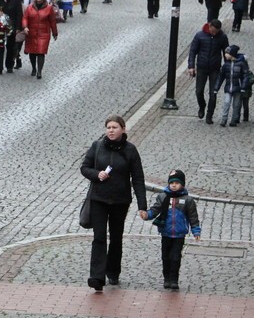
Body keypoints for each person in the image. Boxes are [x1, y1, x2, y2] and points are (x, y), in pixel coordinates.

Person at [80, 115, 148, 292]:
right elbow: (85, 167)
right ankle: (97, 276)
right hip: (98, 199)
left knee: (116, 238)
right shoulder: (97, 146)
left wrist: (142, 205)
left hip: (120, 201)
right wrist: (97, 175)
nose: (111, 130)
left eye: (115, 127)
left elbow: (138, 178)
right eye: (108, 127)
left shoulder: (130, 150)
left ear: (123, 129)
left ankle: (113, 271)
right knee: (99, 237)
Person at [144, 169, 201, 290]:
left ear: (182, 184)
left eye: (177, 183)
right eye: (172, 183)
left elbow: (193, 217)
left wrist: (196, 231)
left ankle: (174, 279)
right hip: (166, 232)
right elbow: (155, 209)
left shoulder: (188, 200)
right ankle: (167, 279)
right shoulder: (163, 197)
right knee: (165, 257)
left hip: (179, 234)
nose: (174, 185)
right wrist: (147, 215)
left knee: (175, 257)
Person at [187, 20, 229, 124]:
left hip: (215, 68)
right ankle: (202, 106)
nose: (214, 33)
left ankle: (209, 115)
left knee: (213, 93)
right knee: (199, 91)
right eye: (212, 31)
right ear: (209, 27)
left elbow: (226, 53)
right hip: (202, 67)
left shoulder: (222, 37)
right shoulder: (200, 35)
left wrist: (227, 67)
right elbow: (193, 51)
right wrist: (191, 66)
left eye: (216, 32)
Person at [22, 0, 57, 79]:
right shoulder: (30, 7)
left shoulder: (49, 8)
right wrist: (25, 27)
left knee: (41, 52)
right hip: (31, 33)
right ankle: (34, 68)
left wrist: (55, 33)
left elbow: (52, 21)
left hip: (43, 33)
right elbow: (25, 18)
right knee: (32, 52)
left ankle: (39, 71)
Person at [214, 45, 250, 127]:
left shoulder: (241, 64)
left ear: (232, 54)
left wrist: (243, 87)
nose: (225, 55)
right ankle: (224, 119)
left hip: (238, 88)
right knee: (226, 102)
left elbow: (245, 76)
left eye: (227, 53)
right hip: (228, 88)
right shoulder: (226, 65)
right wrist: (216, 88)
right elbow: (221, 77)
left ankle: (234, 120)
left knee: (236, 105)